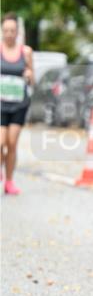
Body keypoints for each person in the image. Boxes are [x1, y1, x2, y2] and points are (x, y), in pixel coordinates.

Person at [1, 12, 34, 195]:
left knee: (12, 144)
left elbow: (32, 79)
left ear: (17, 32)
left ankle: (9, 181)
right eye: (6, 30)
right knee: (0, 142)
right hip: (0, 104)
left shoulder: (26, 52)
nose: (9, 34)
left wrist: (29, 76)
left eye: (12, 30)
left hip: (18, 104)